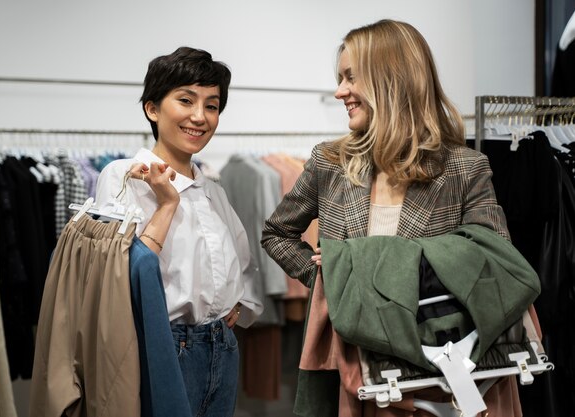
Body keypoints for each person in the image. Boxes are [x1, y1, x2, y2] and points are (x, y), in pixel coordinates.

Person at [261, 20, 533, 417]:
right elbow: (277, 233)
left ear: (390, 79)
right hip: (351, 375)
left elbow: (495, 264)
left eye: (351, 77)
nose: (339, 92)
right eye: (339, 78)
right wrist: (335, 282)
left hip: (437, 378)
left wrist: (372, 264)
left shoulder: (464, 169)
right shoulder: (328, 162)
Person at [95, 46, 263, 416]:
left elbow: (244, 262)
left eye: (212, 105)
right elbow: (119, 277)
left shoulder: (212, 189)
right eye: (185, 100)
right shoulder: (123, 177)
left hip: (222, 345)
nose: (199, 117)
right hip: (164, 346)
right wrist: (167, 204)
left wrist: (239, 304)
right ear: (152, 109)